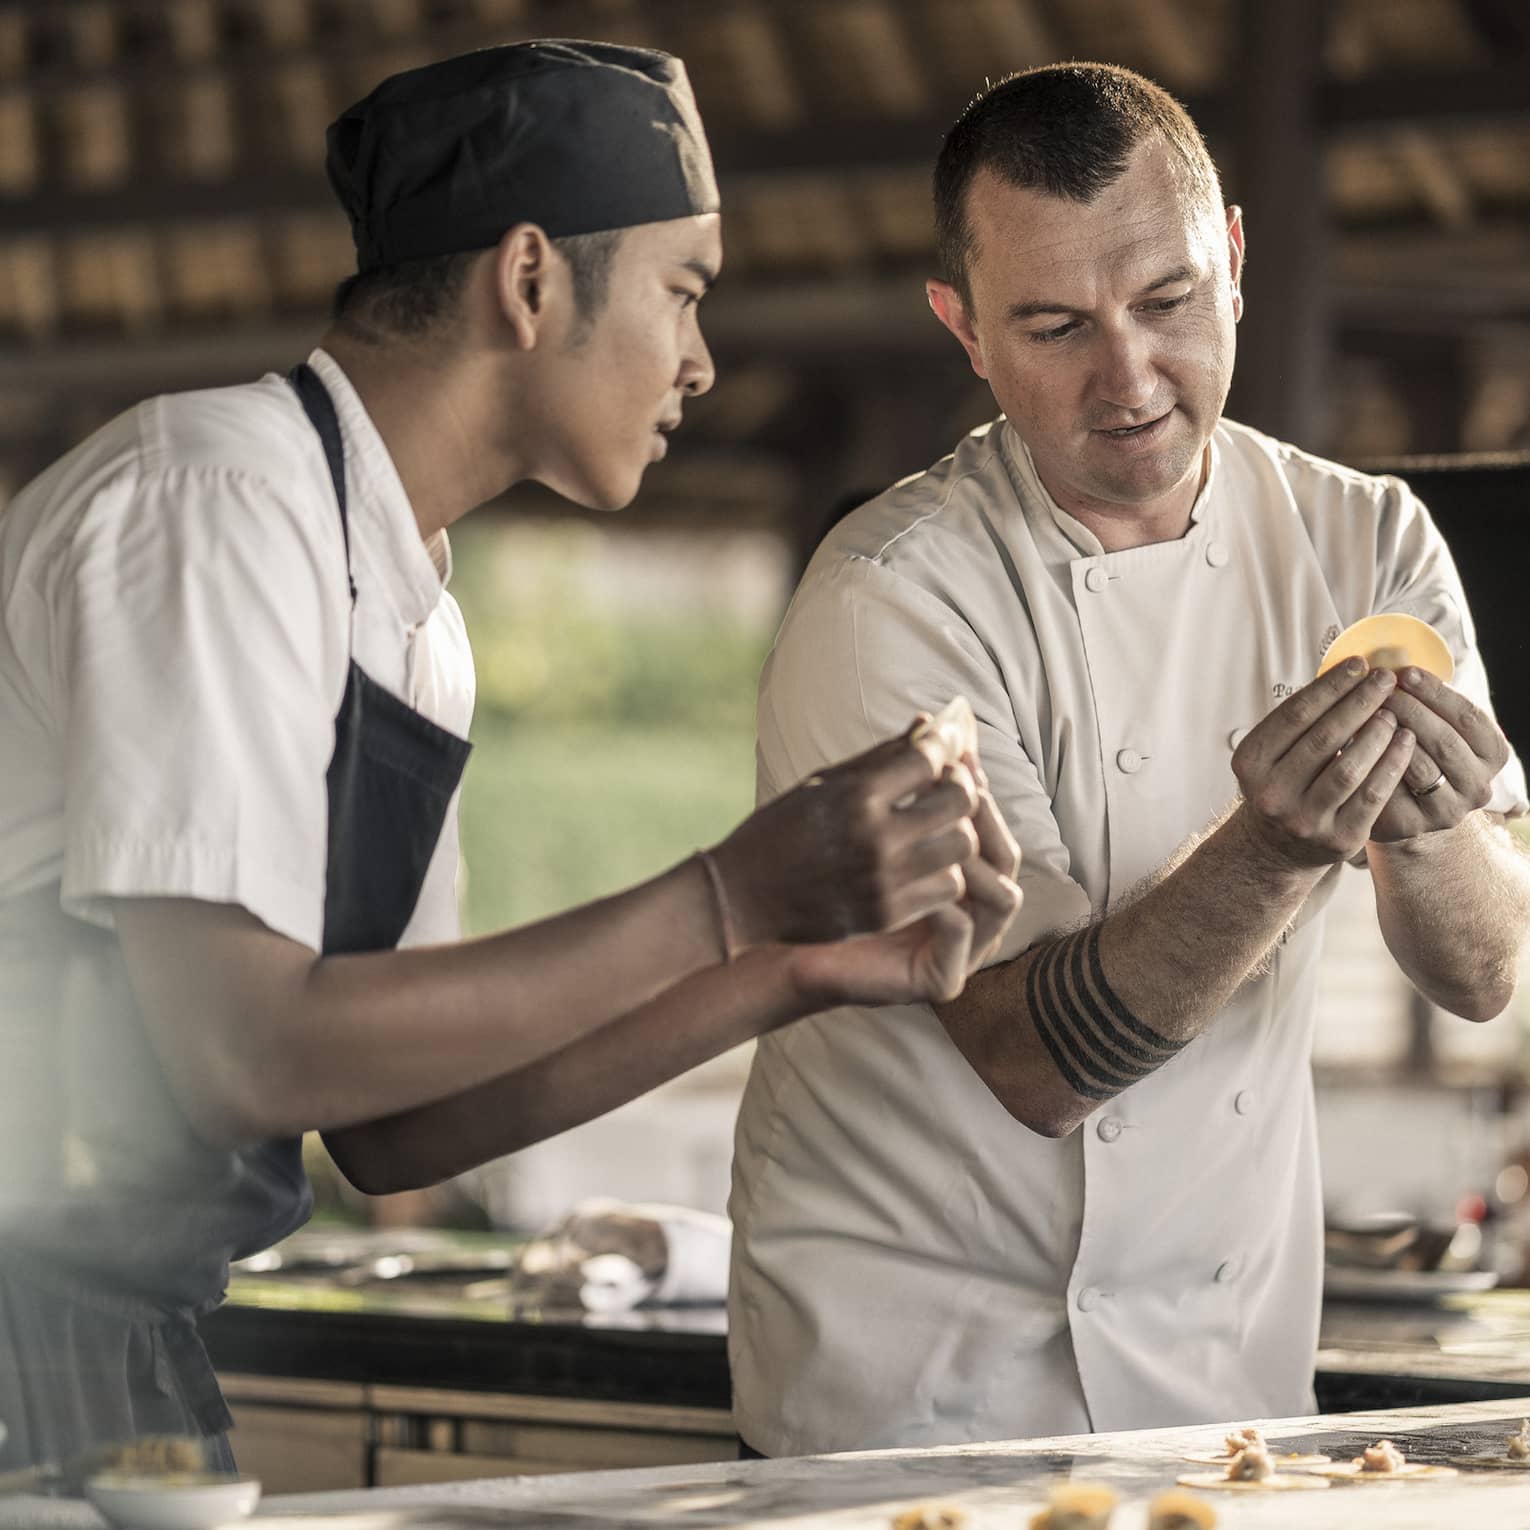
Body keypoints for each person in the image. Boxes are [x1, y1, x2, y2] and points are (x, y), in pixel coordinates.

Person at [0, 41, 1022, 1473]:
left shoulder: (416, 607)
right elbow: (245, 1051)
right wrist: (732, 889)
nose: (703, 361)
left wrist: (793, 963)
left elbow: (396, 1127)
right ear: (530, 280)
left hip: (121, 1342)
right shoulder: (218, 497)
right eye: (684, 291)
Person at [728, 61, 1530, 1457]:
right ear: (963, 331)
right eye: (1052, 326)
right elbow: (1029, 1060)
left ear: (1229, 259)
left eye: (1165, 302)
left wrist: (1429, 822)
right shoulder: (892, 597)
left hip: (1219, 1383)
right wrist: (1272, 841)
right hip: (907, 1393)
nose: (1129, 375)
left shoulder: (1366, 543)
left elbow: (1481, 970)